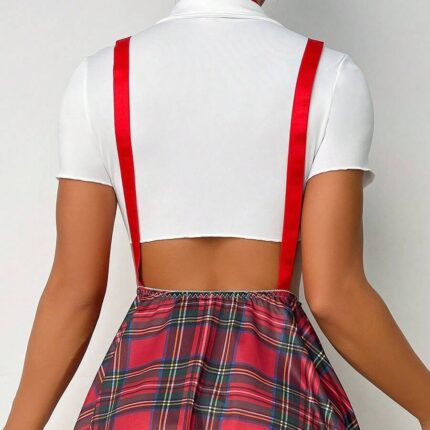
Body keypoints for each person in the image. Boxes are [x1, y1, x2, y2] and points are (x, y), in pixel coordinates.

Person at [4, 0, 430, 428]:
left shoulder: (98, 78)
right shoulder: (329, 76)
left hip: (140, 396)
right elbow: (336, 296)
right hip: (271, 395)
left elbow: (73, 293)